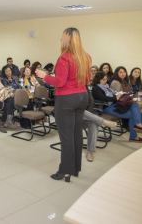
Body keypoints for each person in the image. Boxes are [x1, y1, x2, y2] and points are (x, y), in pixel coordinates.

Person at [36, 27, 91, 182]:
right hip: (82, 96)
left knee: (66, 137)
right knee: (76, 134)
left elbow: (60, 82)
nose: (61, 40)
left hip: (67, 99)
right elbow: (86, 79)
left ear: (67, 40)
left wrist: (45, 76)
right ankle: (74, 169)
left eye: (62, 38)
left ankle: (65, 171)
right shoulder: (86, 57)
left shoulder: (64, 58)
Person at [92, 71, 142, 141]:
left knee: (134, 104)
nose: (106, 81)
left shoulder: (106, 86)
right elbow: (103, 98)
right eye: (104, 79)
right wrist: (116, 98)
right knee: (133, 115)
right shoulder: (96, 88)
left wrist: (119, 95)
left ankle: (138, 125)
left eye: (106, 79)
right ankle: (134, 134)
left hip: (115, 104)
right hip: (107, 107)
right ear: (98, 79)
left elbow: (112, 95)